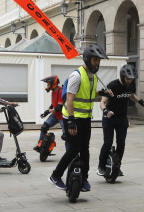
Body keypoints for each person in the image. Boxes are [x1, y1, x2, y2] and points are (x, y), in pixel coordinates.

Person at [48, 44, 112, 191]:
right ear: (87, 59)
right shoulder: (76, 76)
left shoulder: (93, 76)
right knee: (73, 149)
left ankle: (84, 179)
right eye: (95, 60)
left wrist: (103, 93)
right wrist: (70, 122)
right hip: (72, 118)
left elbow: (90, 93)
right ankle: (55, 176)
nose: (97, 63)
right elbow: (70, 99)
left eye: (99, 60)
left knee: (85, 149)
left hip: (85, 117)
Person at [96, 64, 144, 177]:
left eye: (132, 79)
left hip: (122, 118)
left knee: (121, 144)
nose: (129, 81)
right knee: (108, 142)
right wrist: (105, 111)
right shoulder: (112, 85)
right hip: (109, 117)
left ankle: (117, 166)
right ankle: (101, 167)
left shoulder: (131, 85)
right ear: (122, 76)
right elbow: (102, 102)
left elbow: (132, 95)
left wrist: (141, 102)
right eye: (128, 79)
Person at [35, 75, 64, 152]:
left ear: (52, 83)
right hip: (55, 115)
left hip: (62, 117)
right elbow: (53, 105)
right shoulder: (53, 92)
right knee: (44, 127)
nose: (47, 86)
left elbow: (59, 107)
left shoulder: (60, 91)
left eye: (48, 84)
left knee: (66, 136)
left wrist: (49, 111)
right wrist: (45, 113)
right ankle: (40, 145)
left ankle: (70, 153)